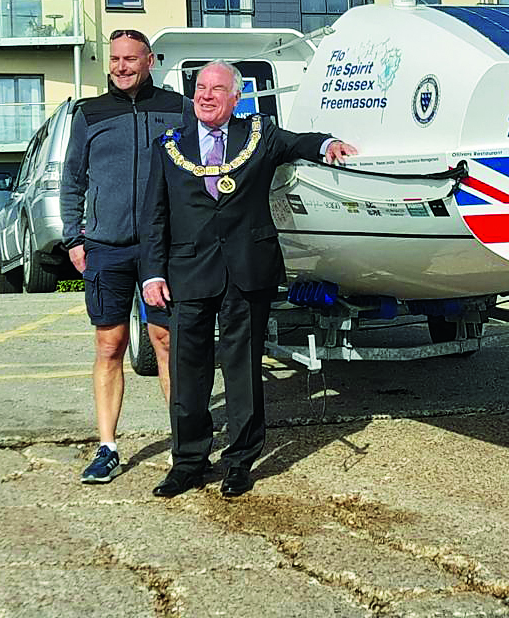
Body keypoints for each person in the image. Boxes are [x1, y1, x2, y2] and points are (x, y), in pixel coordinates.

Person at [141, 61, 357, 498]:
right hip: (189, 272)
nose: (205, 95)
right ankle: (188, 462)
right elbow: (153, 216)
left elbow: (301, 143)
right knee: (188, 372)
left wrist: (330, 143)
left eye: (216, 89)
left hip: (247, 271)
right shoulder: (169, 145)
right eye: (200, 87)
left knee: (242, 371)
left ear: (234, 98)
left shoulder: (259, 135)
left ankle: (240, 461)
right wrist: (152, 274)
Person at [61, 29, 193, 484]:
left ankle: (184, 443)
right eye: (115, 59)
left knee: (167, 344)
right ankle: (107, 446)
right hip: (105, 247)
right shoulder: (88, 113)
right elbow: (72, 179)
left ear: (149, 61)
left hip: (164, 249)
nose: (120, 66)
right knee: (110, 345)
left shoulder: (178, 108)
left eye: (130, 59)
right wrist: (73, 238)